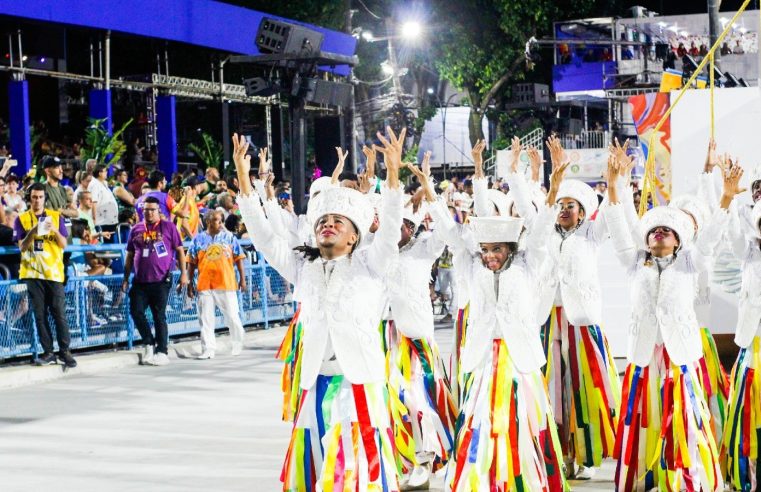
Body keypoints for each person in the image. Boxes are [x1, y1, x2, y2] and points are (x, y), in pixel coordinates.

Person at [234, 127, 405, 490]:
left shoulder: (370, 265)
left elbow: (389, 231)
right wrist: (245, 185)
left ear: (354, 235)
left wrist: (392, 176)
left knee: (353, 469)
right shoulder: (303, 267)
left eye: (337, 222)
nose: (328, 225)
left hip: (357, 381)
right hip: (316, 382)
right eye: (323, 222)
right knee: (317, 464)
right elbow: (264, 238)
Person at [605, 156, 743, 492]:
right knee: (643, 417)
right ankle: (641, 477)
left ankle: (686, 478)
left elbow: (709, 238)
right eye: (653, 231)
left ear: (679, 240)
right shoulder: (634, 262)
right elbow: (620, 229)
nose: (659, 234)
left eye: (667, 230)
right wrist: (613, 187)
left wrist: (725, 197)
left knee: (684, 421)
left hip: (679, 357)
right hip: (643, 357)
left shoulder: (690, 262)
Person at [530, 136, 620, 480]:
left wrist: (613, 183)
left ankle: (584, 453)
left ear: (583, 212)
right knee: (552, 386)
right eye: (561, 204)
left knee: (583, 388)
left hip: (581, 322)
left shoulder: (591, 236)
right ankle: (556, 454)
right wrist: (549, 175)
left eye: (572, 205)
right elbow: (531, 207)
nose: (565, 210)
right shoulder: (544, 235)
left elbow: (612, 215)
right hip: (548, 319)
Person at [13, 183, 77, 367]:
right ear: (29, 198)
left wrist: (54, 230)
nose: (37, 200)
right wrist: (33, 231)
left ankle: (65, 351)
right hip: (33, 274)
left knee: (59, 313)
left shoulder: (56, 217)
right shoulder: (22, 219)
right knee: (39, 315)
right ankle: (48, 352)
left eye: (40, 197)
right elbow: (22, 247)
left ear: (45, 199)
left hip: (54, 273)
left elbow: (64, 244)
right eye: (34, 197)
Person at [121, 196, 187, 366]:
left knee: (159, 315)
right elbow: (129, 255)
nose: (149, 213)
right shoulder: (136, 229)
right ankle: (149, 342)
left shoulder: (169, 227)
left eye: (152, 210)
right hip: (140, 281)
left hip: (161, 279)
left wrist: (184, 274)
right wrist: (125, 278)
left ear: (159, 211)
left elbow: (180, 251)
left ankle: (162, 351)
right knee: (136, 312)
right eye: (146, 210)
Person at [723, 197, 761, 491]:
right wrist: (729, 196)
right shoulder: (749, 253)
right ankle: (746, 474)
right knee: (749, 413)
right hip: (754, 345)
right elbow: (733, 235)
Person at [187, 210, 247, 359]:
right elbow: (191, 263)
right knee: (206, 319)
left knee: (233, 317)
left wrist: (243, 279)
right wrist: (189, 284)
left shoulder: (229, 237)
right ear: (208, 222)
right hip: (205, 284)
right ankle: (208, 349)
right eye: (217, 221)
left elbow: (239, 258)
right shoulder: (198, 240)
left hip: (226, 283)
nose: (220, 224)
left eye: (221, 221)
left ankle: (237, 343)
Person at [88, 164, 119, 237]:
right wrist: (94, 221)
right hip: (101, 223)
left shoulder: (104, 183)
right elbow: (93, 203)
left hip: (109, 221)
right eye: (105, 171)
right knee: (105, 247)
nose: (107, 173)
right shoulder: (94, 184)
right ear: (99, 173)